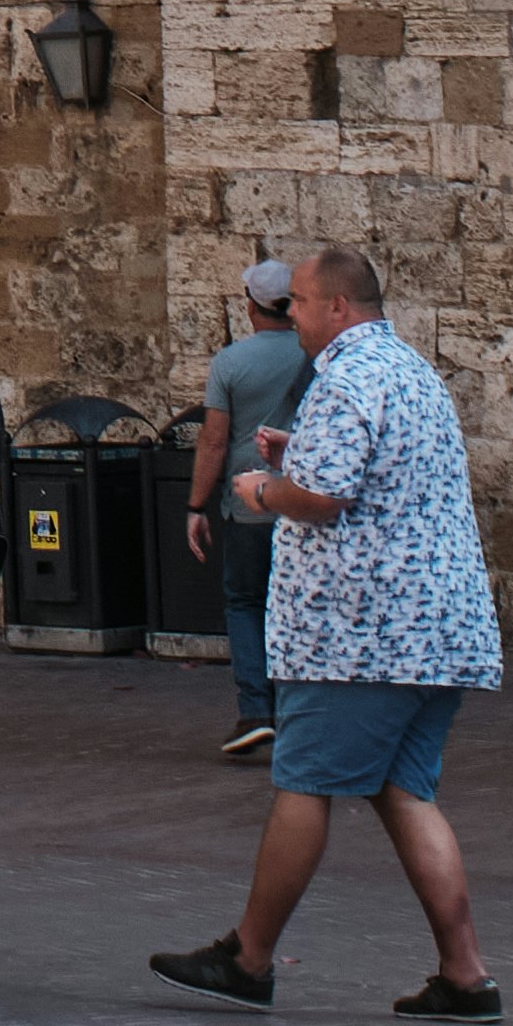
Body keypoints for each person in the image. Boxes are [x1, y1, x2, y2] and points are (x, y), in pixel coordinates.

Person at [152, 244, 504, 1019]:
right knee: (404, 790)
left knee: (303, 781)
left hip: (358, 633)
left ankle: (248, 957)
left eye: (301, 304)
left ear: (337, 306)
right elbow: (376, 472)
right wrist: (296, 452)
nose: (293, 317)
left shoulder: (344, 378)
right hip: (438, 627)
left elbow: (325, 499)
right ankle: (464, 973)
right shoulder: (409, 370)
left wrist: (262, 485)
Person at [188, 255, 310, 761]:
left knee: (245, 602)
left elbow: (213, 442)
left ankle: (256, 709)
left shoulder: (231, 362)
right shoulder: (314, 356)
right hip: (304, 503)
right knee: (300, 608)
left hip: (248, 505)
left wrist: (196, 505)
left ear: (252, 307)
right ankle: (300, 712)